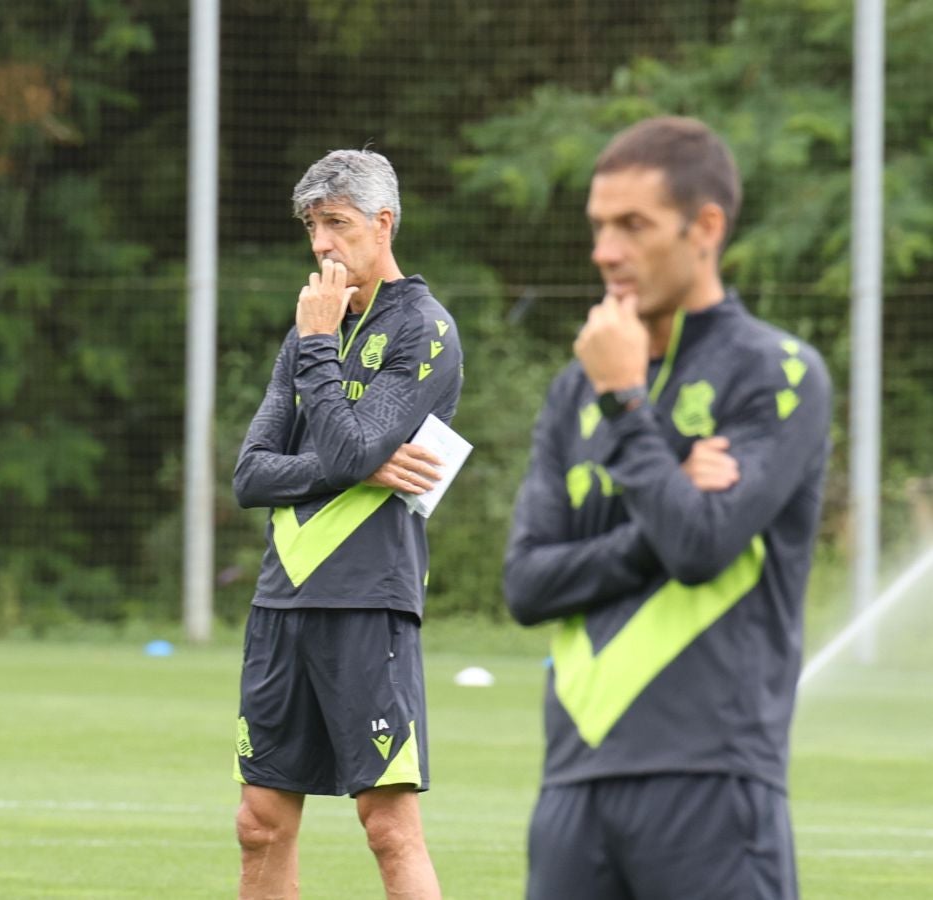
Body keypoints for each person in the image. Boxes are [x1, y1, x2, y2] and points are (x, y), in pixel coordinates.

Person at [503, 116, 831, 899]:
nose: (604, 251)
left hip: (711, 779)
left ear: (704, 228)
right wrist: (662, 487)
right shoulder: (570, 387)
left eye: (631, 226)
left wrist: (625, 404)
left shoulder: (776, 371)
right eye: (598, 227)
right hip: (572, 786)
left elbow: (699, 546)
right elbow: (524, 585)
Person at [232, 148, 462, 900]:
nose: (321, 244)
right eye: (312, 227)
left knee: (387, 828)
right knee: (259, 822)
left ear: (382, 223)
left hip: (368, 602)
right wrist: (354, 465)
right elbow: (250, 475)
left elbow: (348, 444)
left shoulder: (423, 330)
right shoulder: (307, 331)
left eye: (336, 224)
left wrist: (321, 351)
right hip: (282, 602)